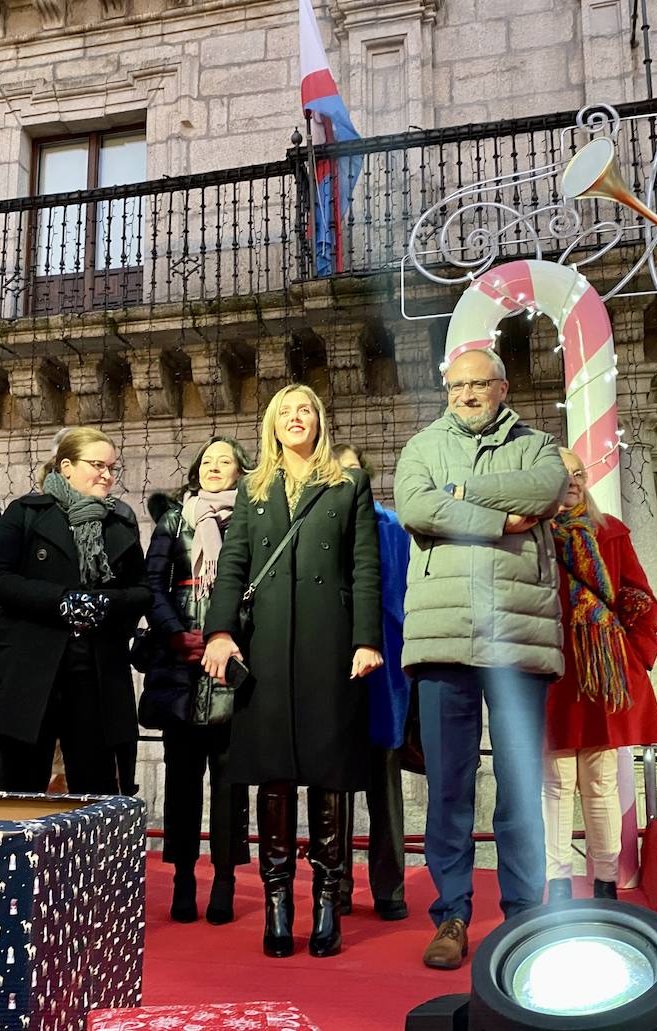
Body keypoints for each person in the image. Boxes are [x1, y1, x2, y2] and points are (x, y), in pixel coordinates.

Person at [394, 347, 567, 970]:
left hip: (518, 637)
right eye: (456, 385)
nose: (466, 394)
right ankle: (453, 913)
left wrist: (463, 493)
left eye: (478, 384)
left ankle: (523, 914)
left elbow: (547, 488)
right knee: (449, 787)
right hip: (446, 636)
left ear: (502, 386)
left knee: (521, 784)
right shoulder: (421, 447)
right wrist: (499, 521)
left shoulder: (539, 444)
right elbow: (415, 506)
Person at [201, 384, 383, 959]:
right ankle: (277, 902)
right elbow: (232, 567)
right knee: (274, 773)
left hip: (331, 644)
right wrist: (221, 632)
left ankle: (329, 898)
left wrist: (366, 639)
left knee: (330, 771)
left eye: (304, 409)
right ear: (272, 426)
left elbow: (364, 566)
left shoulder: (347, 483)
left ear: (319, 420)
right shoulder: (253, 489)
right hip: (269, 645)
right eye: (285, 411)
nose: (295, 418)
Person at [0, 426, 150, 794]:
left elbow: (143, 591)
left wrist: (105, 603)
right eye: (97, 465)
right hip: (30, 668)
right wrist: (61, 599)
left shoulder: (118, 523)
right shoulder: (25, 513)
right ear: (66, 466)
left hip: (96, 670)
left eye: (112, 467)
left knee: (96, 788)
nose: (107, 475)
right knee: (20, 787)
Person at [140, 437, 254, 925]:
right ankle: (184, 878)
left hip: (234, 659)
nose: (213, 468)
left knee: (231, 782)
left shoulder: (253, 521)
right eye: (207, 461)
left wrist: (236, 638)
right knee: (182, 781)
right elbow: (152, 584)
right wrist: (173, 635)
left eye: (224, 461)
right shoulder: (175, 519)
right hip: (182, 665)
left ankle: (225, 880)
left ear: (240, 473)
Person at [542, 449, 657, 902]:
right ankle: (556, 880)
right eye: (561, 473)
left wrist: (634, 656)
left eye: (577, 473)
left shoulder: (610, 531)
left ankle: (606, 880)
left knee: (600, 781)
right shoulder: (532, 534)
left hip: (601, 672)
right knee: (555, 782)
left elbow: (640, 598)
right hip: (554, 668)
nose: (572, 480)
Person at [332, 443, 409, 921]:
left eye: (353, 473)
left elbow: (401, 597)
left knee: (384, 780)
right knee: (333, 778)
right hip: (331, 664)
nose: (345, 481)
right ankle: (335, 884)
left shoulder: (391, 526)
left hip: (384, 665)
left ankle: (389, 887)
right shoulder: (316, 527)